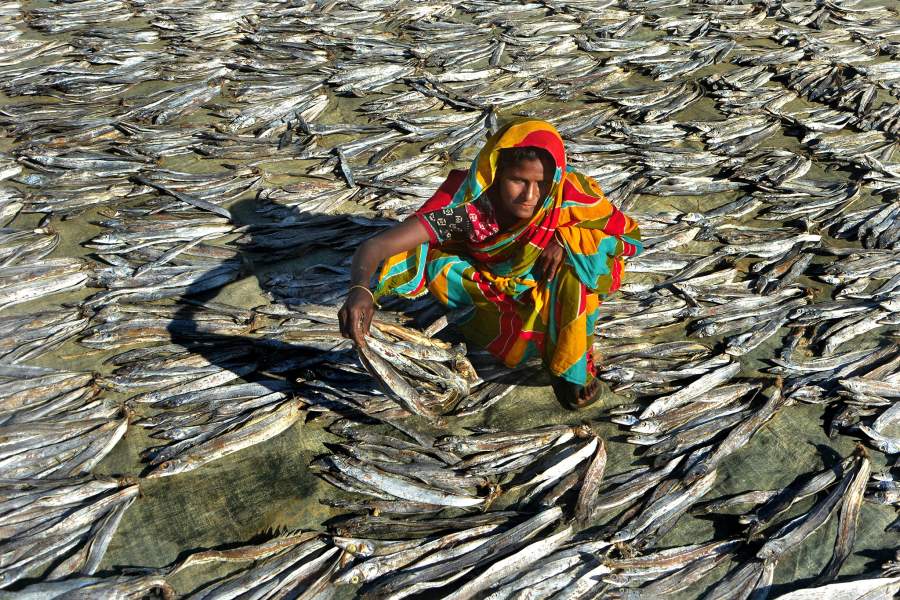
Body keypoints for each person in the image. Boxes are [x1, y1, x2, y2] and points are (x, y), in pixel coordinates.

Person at [338, 118, 642, 409]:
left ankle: (569, 368)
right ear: (496, 172)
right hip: (491, 279)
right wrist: (360, 289)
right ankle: (505, 330)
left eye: (541, 183)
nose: (530, 195)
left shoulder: (567, 193)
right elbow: (378, 245)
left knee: (579, 258)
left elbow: (626, 235)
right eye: (518, 181)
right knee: (438, 267)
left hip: (547, 275)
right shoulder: (469, 210)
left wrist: (565, 240)